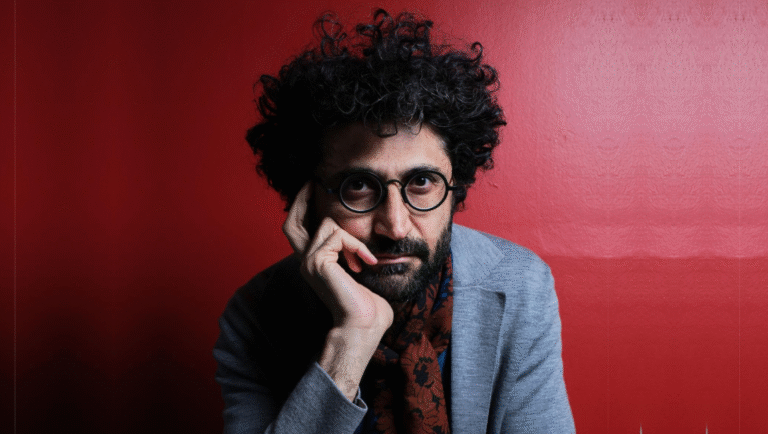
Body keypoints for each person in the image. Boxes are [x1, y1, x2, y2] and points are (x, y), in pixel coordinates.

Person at [214, 9, 575, 434]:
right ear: (308, 199)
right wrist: (352, 338)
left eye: (421, 181)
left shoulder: (520, 287)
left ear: (456, 186)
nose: (396, 227)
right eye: (359, 186)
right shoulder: (255, 315)